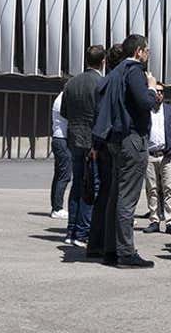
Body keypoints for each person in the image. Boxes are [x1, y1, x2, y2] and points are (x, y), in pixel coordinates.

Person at [91, 35, 158, 268]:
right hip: (132, 139)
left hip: (115, 139)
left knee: (115, 196)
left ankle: (110, 249)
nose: (148, 54)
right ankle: (126, 252)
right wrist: (151, 89)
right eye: (147, 50)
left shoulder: (116, 71)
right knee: (127, 198)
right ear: (139, 51)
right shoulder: (135, 71)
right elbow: (144, 102)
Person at [63, 46, 105, 245]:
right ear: (103, 61)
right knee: (91, 186)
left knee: (77, 183)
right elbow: (102, 113)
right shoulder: (100, 83)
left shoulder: (71, 82)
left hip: (73, 138)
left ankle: (71, 230)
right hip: (91, 141)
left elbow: (64, 112)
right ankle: (82, 232)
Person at [87, 44, 125, 257]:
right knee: (112, 195)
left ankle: (97, 242)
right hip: (110, 144)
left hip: (100, 144)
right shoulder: (113, 84)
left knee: (104, 194)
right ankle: (107, 243)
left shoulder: (102, 82)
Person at [143, 83, 171, 235]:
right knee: (152, 189)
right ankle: (154, 220)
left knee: (169, 189)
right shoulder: (146, 111)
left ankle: (170, 221)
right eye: (156, 92)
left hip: (167, 156)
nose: (158, 95)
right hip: (150, 156)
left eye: (161, 92)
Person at [49, 90, 71, 219]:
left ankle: (55, 206)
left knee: (58, 175)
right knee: (64, 175)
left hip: (58, 139)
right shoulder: (63, 100)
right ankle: (57, 208)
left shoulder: (60, 98)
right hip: (62, 139)